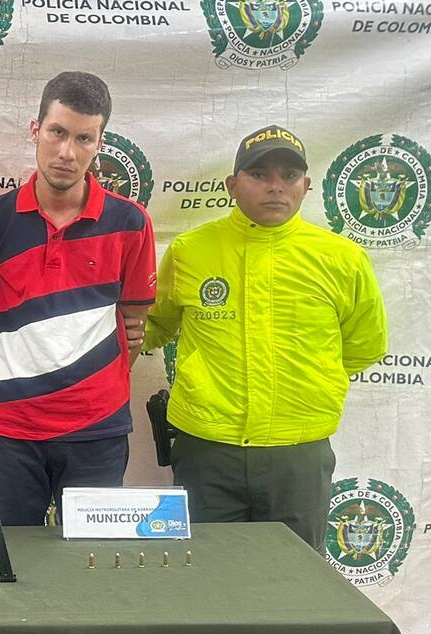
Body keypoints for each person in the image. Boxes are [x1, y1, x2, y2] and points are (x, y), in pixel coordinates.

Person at [142, 125, 387, 552]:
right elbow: (156, 325)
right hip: (207, 452)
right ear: (232, 185)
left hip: (298, 455)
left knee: (295, 582)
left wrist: (309, 386)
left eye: (288, 175)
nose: (275, 186)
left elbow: (364, 344)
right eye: (258, 175)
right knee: (204, 576)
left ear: (306, 185)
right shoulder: (190, 251)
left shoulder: (343, 259)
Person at [0, 72, 157, 526]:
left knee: (89, 558)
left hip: (98, 427)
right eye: (57, 132)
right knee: (8, 556)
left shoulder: (131, 222)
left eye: (84, 138)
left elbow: (133, 327)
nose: (67, 152)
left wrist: (88, 385)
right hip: (11, 427)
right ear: (36, 130)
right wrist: (22, 383)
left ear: (100, 143)